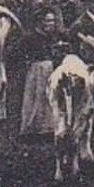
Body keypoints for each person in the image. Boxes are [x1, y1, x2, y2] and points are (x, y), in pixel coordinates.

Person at [16, 8, 68, 141]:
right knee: (37, 97)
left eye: (52, 21)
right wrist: (27, 61)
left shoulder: (54, 35)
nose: (50, 24)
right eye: (47, 21)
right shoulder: (31, 37)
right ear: (40, 22)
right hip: (37, 70)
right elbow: (16, 52)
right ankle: (34, 127)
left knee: (50, 97)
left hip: (52, 69)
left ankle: (48, 127)